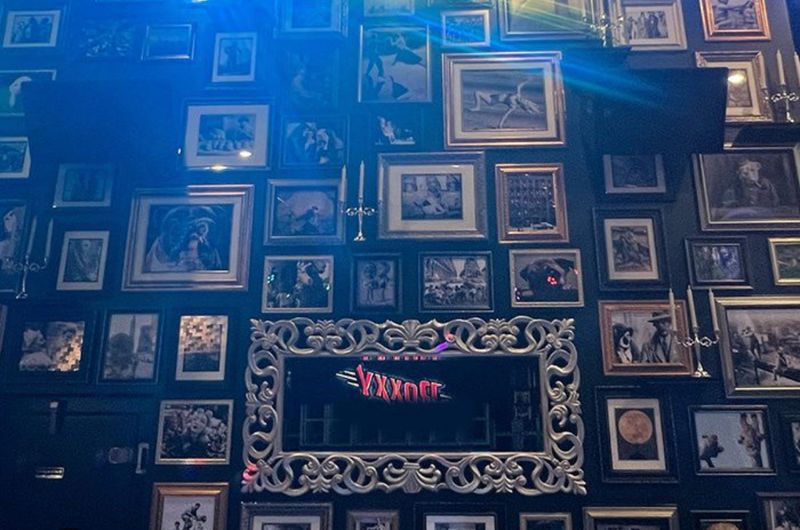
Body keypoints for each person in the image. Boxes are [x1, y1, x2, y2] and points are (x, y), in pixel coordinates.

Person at [469, 78, 543, 129]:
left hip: (491, 100)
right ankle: (477, 107)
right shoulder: (517, 95)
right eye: (525, 100)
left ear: (523, 104)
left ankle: (477, 107)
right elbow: (519, 86)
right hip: (490, 95)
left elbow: (505, 115)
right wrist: (527, 80)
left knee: (477, 92)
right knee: (476, 92)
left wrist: (500, 125)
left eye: (524, 102)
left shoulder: (513, 106)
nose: (523, 99)